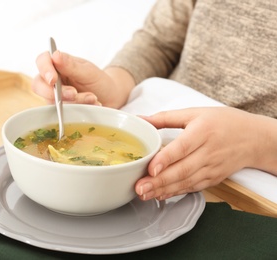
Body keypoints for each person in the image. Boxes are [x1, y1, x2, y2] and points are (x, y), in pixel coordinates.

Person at [31, 0, 277, 201]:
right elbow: (159, 42)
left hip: (253, 199)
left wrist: (258, 141)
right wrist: (116, 85)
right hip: (156, 161)